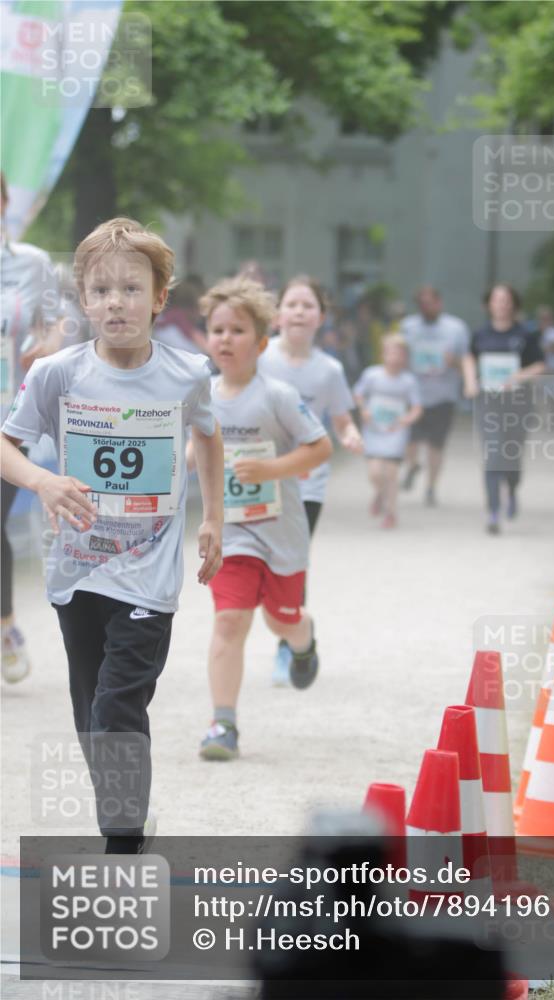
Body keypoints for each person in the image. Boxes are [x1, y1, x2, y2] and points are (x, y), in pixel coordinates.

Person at [1, 217, 224, 852]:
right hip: (77, 570)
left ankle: (121, 847)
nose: (115, 303)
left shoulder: (187, 374)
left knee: (116, 709)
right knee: (90, 718)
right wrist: (44, 482)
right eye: (100, 291)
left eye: (130, 289)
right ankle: (128, 815)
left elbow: (208, 435)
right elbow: (6, 445)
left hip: (148, 574)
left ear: (159, 298)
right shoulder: (57, 374)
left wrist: (214, 517)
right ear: (83, 299)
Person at [194, 276, 332, 761]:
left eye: (237, 330)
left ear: (260, 343)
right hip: (231, 531)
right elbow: (192, 450)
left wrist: (270, 469)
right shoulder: (202, 396)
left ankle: (303, 639)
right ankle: (223, 724)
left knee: (280, 619)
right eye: (218, 330)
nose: (226, 339)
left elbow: (321, 447)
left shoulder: (278, 395)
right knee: (230, 620)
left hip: (281, 532)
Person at [257, 275, 362, 684]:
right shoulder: (259, 357)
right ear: (277, 314)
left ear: (321, 317)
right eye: (292, 304)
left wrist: (350, 434)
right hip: (258, 478)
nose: (299, 312)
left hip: (306, 483)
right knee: (257, 561)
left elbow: (341, 418)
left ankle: (288, 646)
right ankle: (294, 629)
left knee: (291, 562)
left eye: (308, 305)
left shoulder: (329, 370)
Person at [1, 171, 63, 683]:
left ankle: (4, 627)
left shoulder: (33, 263)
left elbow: (59, 321)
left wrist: (49, 344)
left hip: (7, 419)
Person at [462, 283, 545, 535]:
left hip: (517, 403)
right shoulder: (480, 334)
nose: (501, 304)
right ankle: (493, 511)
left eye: (506, 300)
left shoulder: (525, 335)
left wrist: (519, 376)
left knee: (511, 454)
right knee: (493, 452)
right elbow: (469, 358)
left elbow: (540, 365)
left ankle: (512, 487)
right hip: (489, 403)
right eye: (497, 300)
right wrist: (470, 381)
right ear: (489, 304)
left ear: (514, 304)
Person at [400, 285, 470, 506]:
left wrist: (454, 363)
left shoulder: (456, 328)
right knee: (410, 439)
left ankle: (431, 488)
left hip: (444, 395)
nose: (426, 307)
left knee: (435, 445)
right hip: (414, 394)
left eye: (430, 303)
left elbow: (466, 361)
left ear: (439, 303)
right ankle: (412, 466)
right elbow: (399, 356)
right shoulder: (408, 327)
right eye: (422, 304)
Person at [354, 334, 422, 529]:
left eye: (399, 353)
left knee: (391, 473)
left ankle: (391, 512)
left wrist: (407, 419)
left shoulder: (408, 381)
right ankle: (380, 493)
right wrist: (364, 410)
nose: (394, 357)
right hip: (374, 430)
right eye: (390, 353)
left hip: (395, 431)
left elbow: (417, 407)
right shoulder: (372, 375)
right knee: (375, 473)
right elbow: (358, 394)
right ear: (383, 354)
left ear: (405, 357)